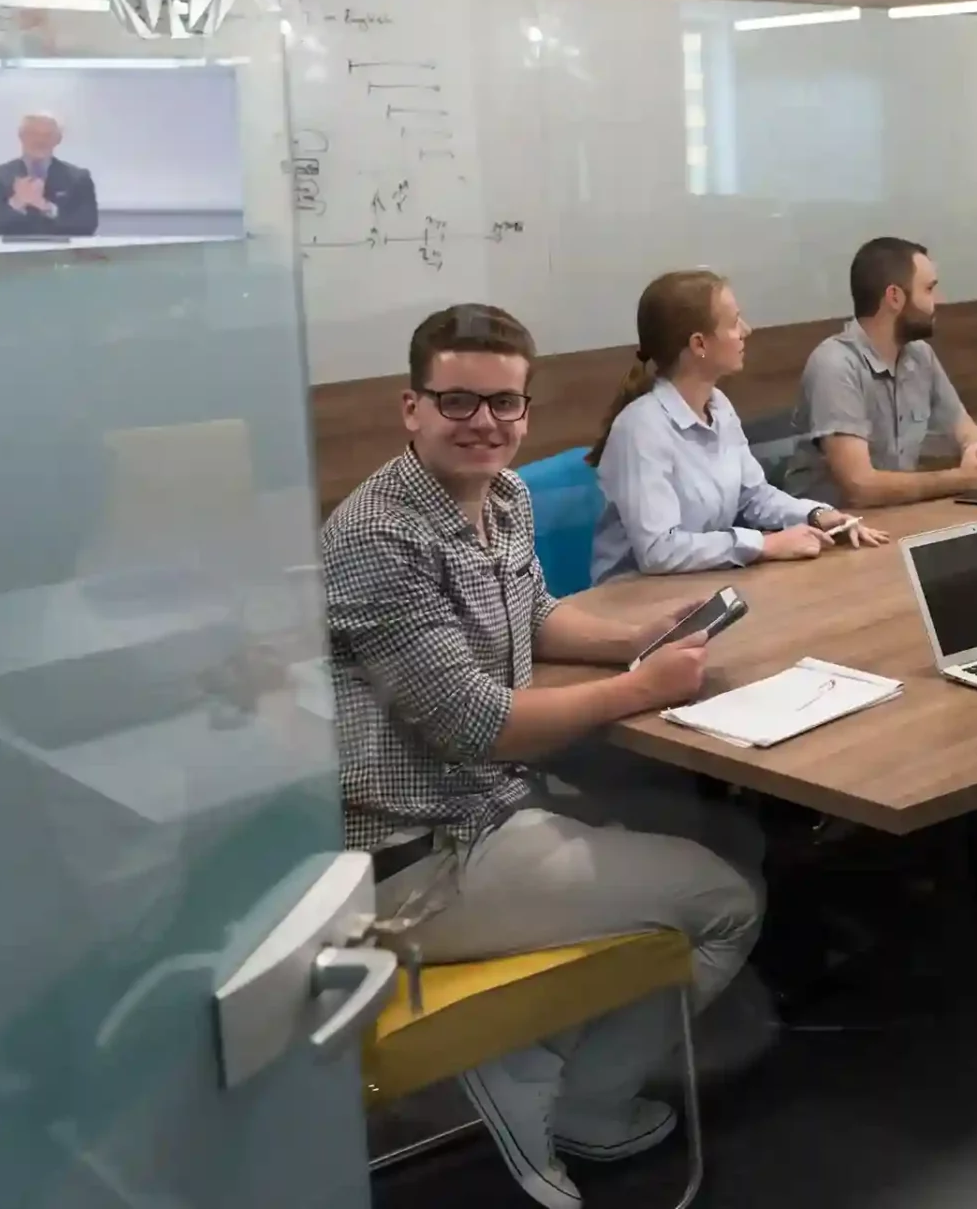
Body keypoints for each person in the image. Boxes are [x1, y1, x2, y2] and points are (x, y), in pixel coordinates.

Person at [322, 303, 761, 1208]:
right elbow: (477, 723)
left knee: (730, 840)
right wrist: (643, 688)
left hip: (497, 806)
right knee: (727, 902)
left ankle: (536, 1050)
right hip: (417, 860)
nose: (485, 422)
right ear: (411, 408)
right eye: (458, 401)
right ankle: (571, 1098)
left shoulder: (504, 496)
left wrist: (638, 636)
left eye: (505, 404)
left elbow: (535, 613)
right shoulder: (377, 537)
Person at [591, 270, 885, 580]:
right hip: (634, 599)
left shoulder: (718, 405)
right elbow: (658, 551)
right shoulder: (640, 428)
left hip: (702, 581)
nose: (747, 330)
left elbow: (753, 496)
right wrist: (763, 545)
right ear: (699, 343)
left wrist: (816, 514)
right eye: (734, 323)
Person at [782, 236, 977, 507]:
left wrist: (975, 452)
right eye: (929, 289)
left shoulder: (920, 355)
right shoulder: (835, 365)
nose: (939, 300)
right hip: (830, 535)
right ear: (894, 297)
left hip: (892, 519)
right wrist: (964, 479)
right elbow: (860, 487)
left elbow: (968, 430)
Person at [0, 111, 100, 236]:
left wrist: (46, 207)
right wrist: (17, 202)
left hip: (62, 253)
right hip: (9, 253)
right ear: (21, 136)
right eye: (33, 134)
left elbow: (88, 224)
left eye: (48, 135)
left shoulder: (78, 178)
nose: (40, 141)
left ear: (58, 140)